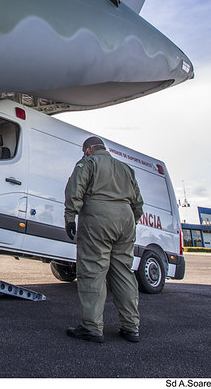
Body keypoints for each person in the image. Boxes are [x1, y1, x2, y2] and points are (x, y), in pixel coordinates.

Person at [63, 136, 144, 343]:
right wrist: (129, 221)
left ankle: (92, 326)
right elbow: (138, 202)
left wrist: (70, 217)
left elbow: (75, 190)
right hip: (125, 220)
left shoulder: (88, 163)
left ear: (89, 149)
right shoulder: (125, 168)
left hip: (98, 218)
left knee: (93, 270)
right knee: (123, 273)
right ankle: (131, 327)